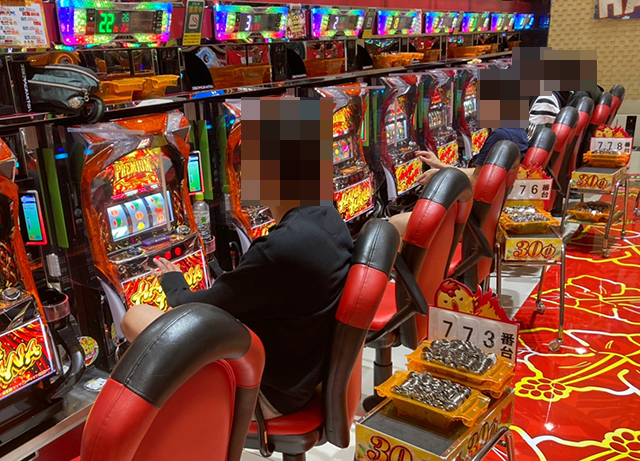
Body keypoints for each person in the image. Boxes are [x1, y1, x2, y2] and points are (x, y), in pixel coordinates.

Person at [122, 203, 353, 420]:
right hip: (298, 374)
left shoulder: (283, 247)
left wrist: (173, 284)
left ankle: (147, 422)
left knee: (135, 317)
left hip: (264, 393)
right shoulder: (327, 214)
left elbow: (197, 306)